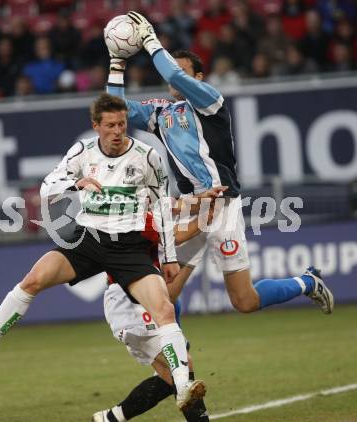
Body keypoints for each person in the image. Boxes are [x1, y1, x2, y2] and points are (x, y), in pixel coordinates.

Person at [0, 93, 206, 412]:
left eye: (122, 124)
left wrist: (167, 257)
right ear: (95, 125)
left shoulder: (148, 157)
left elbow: (164, 208)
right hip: (89, 239)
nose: (117, 131)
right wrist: (77, 185)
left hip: (129, 247)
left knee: (164, 309)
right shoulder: (83, 152)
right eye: (109, 125)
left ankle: (182, 386)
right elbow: (47, 187)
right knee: (33, 279)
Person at [106, 11, 334, 316]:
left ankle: (306, 282)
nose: (175, 75)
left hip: (222, 205)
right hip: (190, 206)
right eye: (174, 68)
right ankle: (180, 361)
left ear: (198, 78)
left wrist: (149, 40)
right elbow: (115, 110)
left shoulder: (211, 102)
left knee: (244, 301)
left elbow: (173, 76)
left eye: (185, 71)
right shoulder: (160, 113)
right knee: (162, 294)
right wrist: (117, 64)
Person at [93, 206, 220, 422]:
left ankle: (111, 418)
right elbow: (174, 237)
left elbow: (172, 204)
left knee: (168, 378)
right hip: (129, 302)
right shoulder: (133, 216)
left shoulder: (138, 205)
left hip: (139, 299)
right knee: (183, 366)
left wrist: (200, 201)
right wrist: (204, 218)